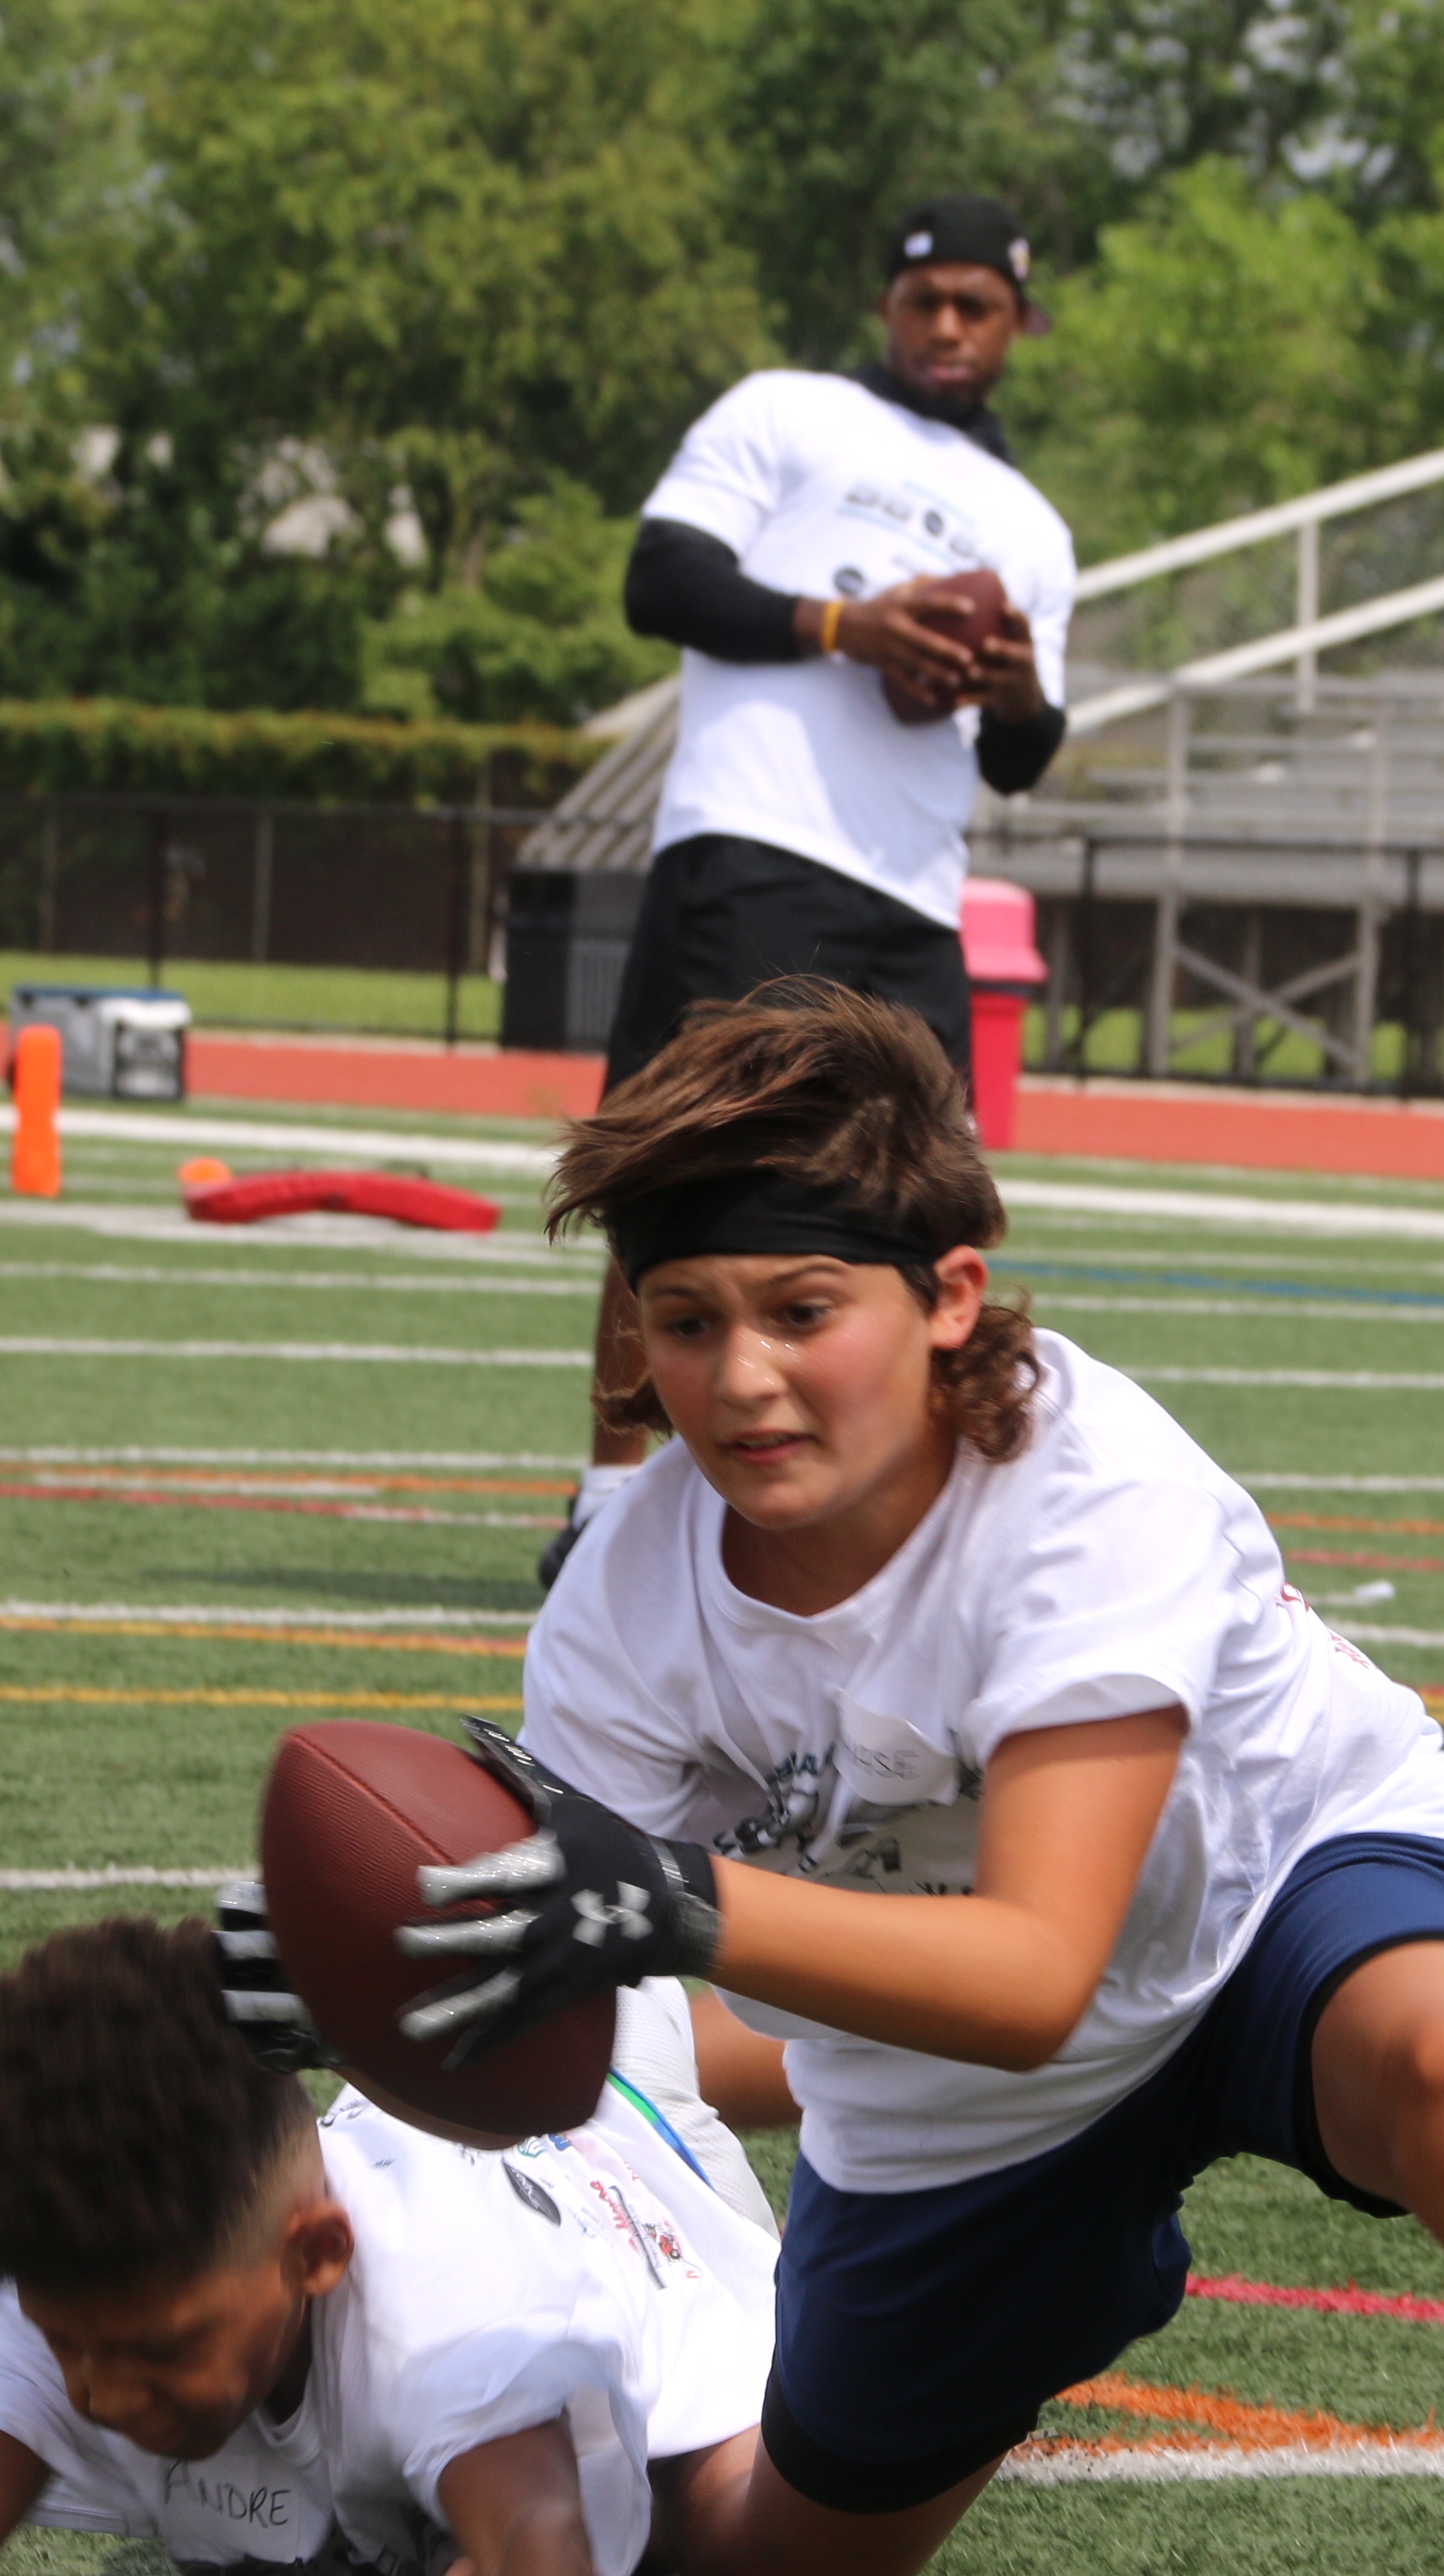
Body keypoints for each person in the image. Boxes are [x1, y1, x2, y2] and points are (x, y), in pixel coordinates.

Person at [392, 984, 1444, 2576]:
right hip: (951, 2091)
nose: (742, 1379)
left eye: (802, 1310)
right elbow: (593, 2040)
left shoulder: (1090, 1491)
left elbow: (1037, 1973)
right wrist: (394, 1992)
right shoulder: (624, 1604)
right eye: (686, 1321)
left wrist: (676, 1898)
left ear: (951, 1294)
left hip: (1268, 1887)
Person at [543, 195, 1075, 1590]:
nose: (950, 327)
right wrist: (849, 623)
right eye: (927, 301)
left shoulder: (1032, 521)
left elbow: (1024, 753)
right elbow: (660, 578)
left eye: (979, 304)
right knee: (679, 1169)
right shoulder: (789, 411)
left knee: (919, 1201)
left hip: (914, 885)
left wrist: (1012, 679)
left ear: (1019, 319)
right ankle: (611, 1500)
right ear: (888, 306)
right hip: (755, 839)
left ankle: (899, 1523)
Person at [0, 1913, 775, 2576]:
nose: (103, 2394)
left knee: (744, 2560)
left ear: (316, 2255)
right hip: (421, 2138)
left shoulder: (445, 2313)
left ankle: (904, 2060)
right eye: (66, 2344)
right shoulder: (89, 2279)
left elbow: (540, 2553)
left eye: (160, 2348)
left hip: (634, 2189)